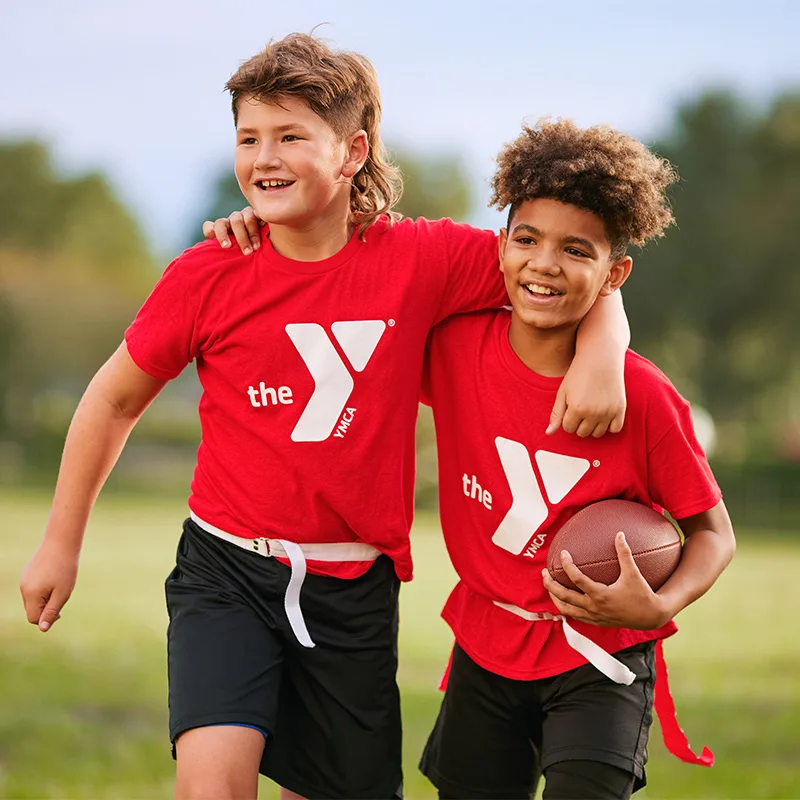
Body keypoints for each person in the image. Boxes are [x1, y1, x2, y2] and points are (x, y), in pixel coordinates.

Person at [19, 36, 629, 800]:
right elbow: (112, 398)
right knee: (212, 787)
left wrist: (605, 351)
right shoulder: (209, 273)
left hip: (354, 589)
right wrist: (59, 544)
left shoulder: (423, 258)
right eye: (249, 138)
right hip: (226, 569)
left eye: (290, 137)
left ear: (352, 152)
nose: (263, 157)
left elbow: (564, 267)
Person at [417, 119, 736, 800]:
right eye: (526, 240)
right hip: (486, 643)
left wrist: (661, 604)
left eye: (576, 250)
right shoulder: (451, 349)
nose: (544, 264)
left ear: (613, 273)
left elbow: (714, 534)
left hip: (602, 657)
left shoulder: (644, 396)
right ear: (500, 245)